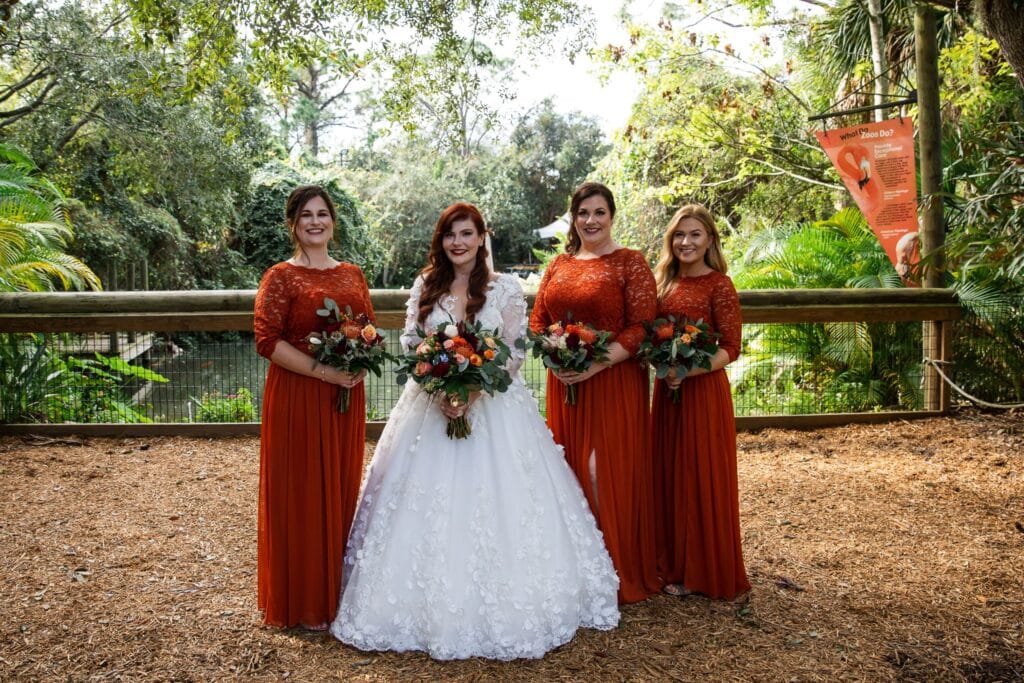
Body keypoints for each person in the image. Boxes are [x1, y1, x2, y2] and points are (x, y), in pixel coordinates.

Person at [331, 203, 619, 660]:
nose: (458, 242)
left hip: (496, 409)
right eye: (450, 235)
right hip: (428, 407)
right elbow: (410, 342)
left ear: (482, 237)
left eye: (467, 233)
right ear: (441, 241)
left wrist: (473, 392)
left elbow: (512, 352)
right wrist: (438, 384)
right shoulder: (426, 285)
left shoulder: (505, 288)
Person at [528, 182, 661, 604]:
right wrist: (554, 358)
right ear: (574, 217)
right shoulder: (559, 265)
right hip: (565, 384)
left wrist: (596, 364)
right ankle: (577, 572)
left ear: (611, 216)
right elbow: (537, 322)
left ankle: (614, 568)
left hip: (613, 381)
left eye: (599, 212)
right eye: (583, 213)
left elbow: (642, 327)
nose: (591, 220)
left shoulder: (630, 263)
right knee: (567, 474)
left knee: (601, 472)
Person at [253, 185, 375, 629]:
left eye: (323, 213)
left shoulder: (352, 274)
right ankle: (300, 599)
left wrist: (361, 360)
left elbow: (366, 328)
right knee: (300, 490)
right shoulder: (280, 276)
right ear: (293, 224)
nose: (316, 221)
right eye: (306, 215)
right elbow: (267, 341)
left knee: (340, 486)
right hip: (299, 394)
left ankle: (334, 595)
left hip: (345, 397)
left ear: (333, 221)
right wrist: (324, 372)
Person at [650, 203, 750, 601]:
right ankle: (671, 563)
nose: (686, 242)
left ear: (710, 239)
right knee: (668, 472)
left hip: (702, 391)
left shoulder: (719, 285)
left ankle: (702, 570)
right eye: (679, 235)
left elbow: (731, 346)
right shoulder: (664, 283)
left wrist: (689, 371)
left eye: (694, 234)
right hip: (667, 392)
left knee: (698, 474)